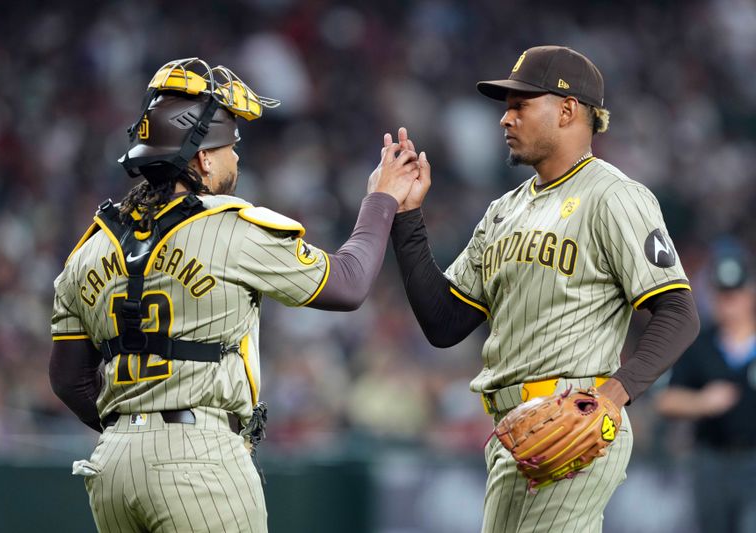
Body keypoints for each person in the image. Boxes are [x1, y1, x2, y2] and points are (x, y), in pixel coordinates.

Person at [48, 57, 420, 533]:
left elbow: (68, 381)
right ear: (202, 157)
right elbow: (348, 284)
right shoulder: (229, 227)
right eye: (231, 147)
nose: (236, 159)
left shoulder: (89, 247)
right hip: (199, 457)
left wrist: (136, 429)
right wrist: (382, 199)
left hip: (113, 465)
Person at [389, 45, 700, 532]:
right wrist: (406, 217)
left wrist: (613, 397)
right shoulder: (503, 210)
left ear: (568, 109)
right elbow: (444, 322)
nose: (504, 119)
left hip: (574, 423)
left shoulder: (615, 197)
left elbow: (679, 314)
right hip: (512, 435)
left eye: (520, 105)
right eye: (506, 107)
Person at [657, 248, 756, 533]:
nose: (729, 303)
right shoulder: (700, 346)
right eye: (723, 294)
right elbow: (666, 399)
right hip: (712, 461)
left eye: (735, 293)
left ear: (749, 294)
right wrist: (701, 402)